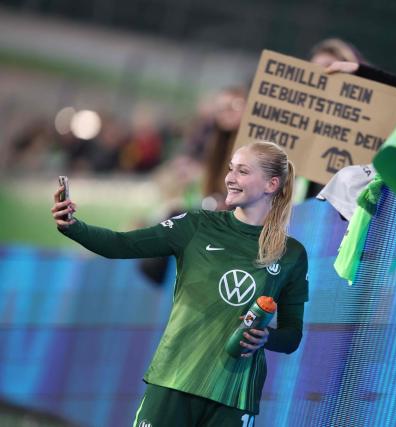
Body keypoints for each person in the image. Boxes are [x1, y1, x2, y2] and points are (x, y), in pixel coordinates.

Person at [51, 141, 309, 426]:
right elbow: (120, 245)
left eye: (243, 171)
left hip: (234, 396)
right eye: (230, 169)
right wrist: (72, 226)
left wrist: (266, 338)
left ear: (271, 184)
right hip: (175, 378)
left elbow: (292, 335)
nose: (230, 178)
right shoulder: (196, 225)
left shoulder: (292, 254)